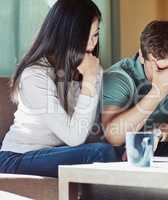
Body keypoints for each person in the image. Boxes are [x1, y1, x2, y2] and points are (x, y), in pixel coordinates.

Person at [0, 0, 117, 178]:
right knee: (99, 153)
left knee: (116, 150)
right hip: (17, 157)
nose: (93, 44)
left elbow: (86, 131)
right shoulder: (34, 75)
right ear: (68, 35)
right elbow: (74, 138)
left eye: (96, 35)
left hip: (60, 153)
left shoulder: (89, 70)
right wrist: (90, 81)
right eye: (87, 35)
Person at [102, 21, 168, 157]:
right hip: (123, 146)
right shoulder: (119, 77)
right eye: (160, 68)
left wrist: (159, 133)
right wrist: (157, 92)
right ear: (142, 57)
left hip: (160, 139)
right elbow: (113, 137)